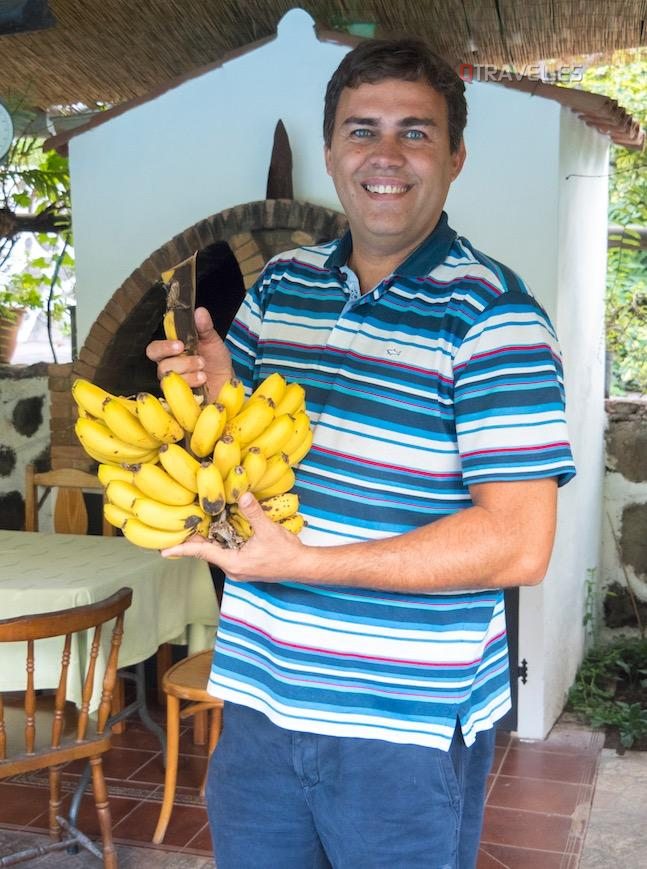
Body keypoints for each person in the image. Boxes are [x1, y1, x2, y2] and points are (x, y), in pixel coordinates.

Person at [147, 38, 576, 869]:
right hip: (262, 701)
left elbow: (518, 542)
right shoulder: (282, 287)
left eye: (414, 133)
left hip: (400, 727)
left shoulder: (495, 319)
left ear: (454, 156)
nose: (385, 155)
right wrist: (212, 398)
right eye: (361, 130)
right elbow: (245, 455)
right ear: (331, 150)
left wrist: (302, 562)